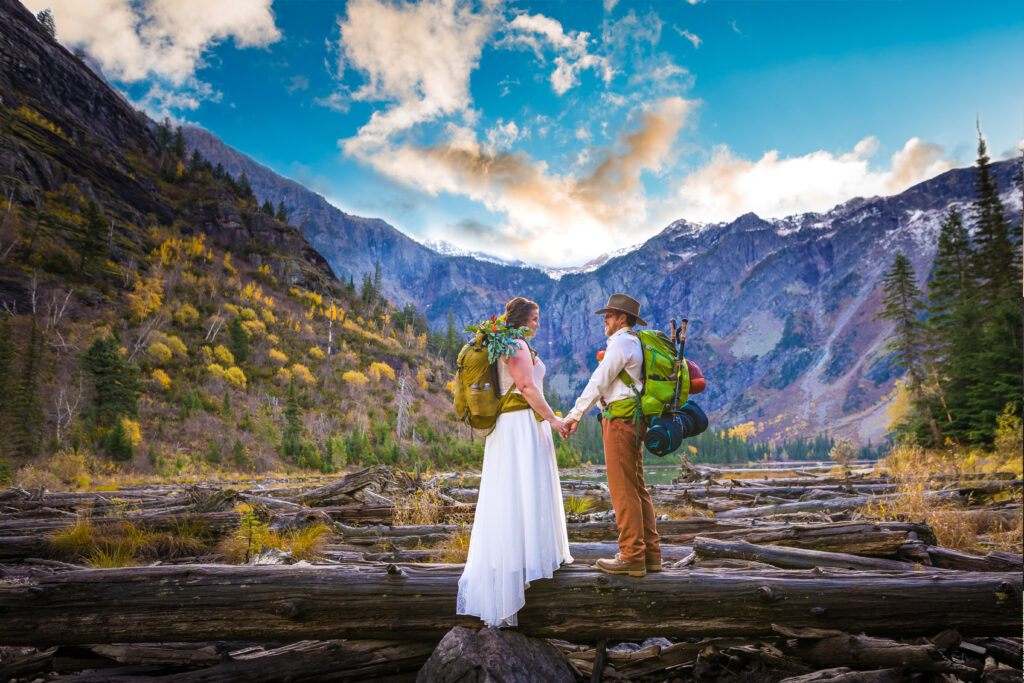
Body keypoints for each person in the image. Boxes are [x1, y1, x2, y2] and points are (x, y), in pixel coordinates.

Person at [564, 294, 705, 577]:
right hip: (635, 419)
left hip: (620, 420)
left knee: (623, 490)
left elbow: (599, 381)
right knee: (638, 489)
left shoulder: (622, 343)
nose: (605, 319)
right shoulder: (636, 343)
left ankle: (631, 556)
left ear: (622, 319)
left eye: (610, 315)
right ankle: (650, 555)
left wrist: (574, 415)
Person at [456, 297, 574, 627]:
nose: (538, 324)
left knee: (508, 492)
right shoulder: (516, 344)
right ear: (522, 319)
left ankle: (514, 560)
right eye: (535, 318)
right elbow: (526, 387)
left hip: (509, 428)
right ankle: (524, 562)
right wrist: (554, 419)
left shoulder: (504, 343)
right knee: (523, 488)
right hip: (520, 425)